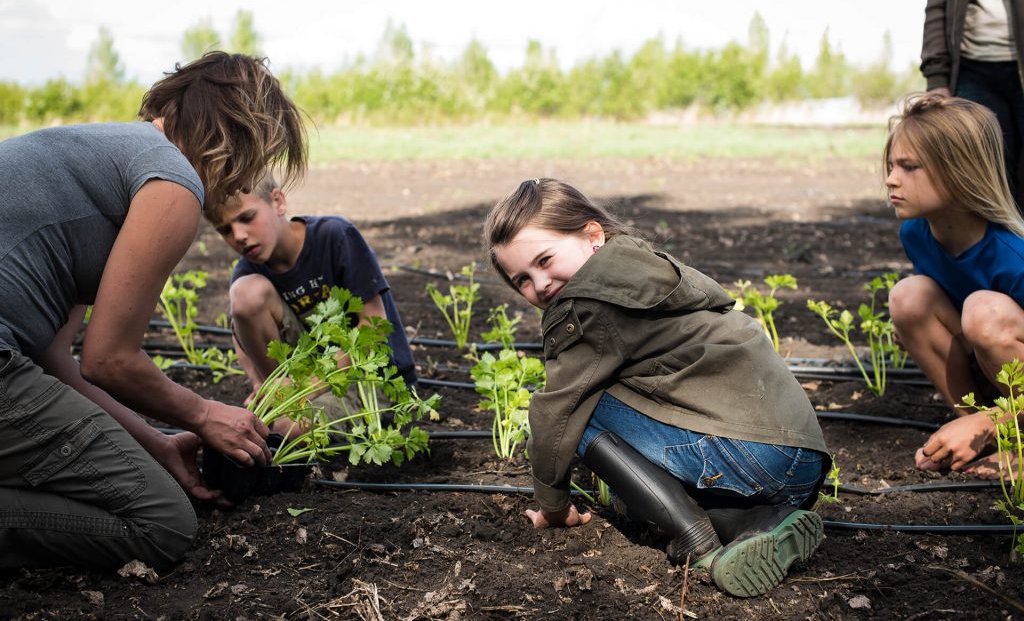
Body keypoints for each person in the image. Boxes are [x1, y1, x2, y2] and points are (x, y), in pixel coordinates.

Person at [0, 51, 307, 571]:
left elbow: (57, 360)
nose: (241, 179)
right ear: (238, 132)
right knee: (161, 522)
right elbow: (109, 360)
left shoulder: (100, 153)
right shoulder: (171, 181)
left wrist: (158, 442)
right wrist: (206, 414)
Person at [483, 178, 829, 597]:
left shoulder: (586, 303)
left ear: (592, 236)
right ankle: (753, 521)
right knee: (618, 454)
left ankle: (694, 538)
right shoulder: (641, 266)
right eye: (521, 279)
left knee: (579, 410)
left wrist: (553, 507)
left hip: (750, 456)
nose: (539, 285)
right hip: (801, 460)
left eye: (545, 259)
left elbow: (555, 415)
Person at [204, 176, 417, 434]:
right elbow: (243, 338)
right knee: (246, 294)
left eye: (248, 217)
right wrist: (262, 386)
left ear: (278, 202)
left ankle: (287, 410)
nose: (238, 235)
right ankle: (281, 398)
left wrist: (305, 388)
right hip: (304, 382)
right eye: (225, 230)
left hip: (369, 380)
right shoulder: (247, 269)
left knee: (285, 428)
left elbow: (375, 327)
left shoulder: (334, 237)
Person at [885, 94, 1024, 479]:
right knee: (909, 296)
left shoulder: (1013, 257)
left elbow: (986, 324)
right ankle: (987, 435)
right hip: (996, 380)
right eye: (892, 165)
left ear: (961, 172)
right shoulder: (915, 233)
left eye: (909, 167)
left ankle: (997, 435)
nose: (891, 179)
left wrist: (990, 423)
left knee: (985, 312)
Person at [922, 0, 1024, 208]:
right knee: (986, 180)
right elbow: (938, 0)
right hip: (974, 71)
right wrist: (937, 78)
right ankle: (1003, 250)